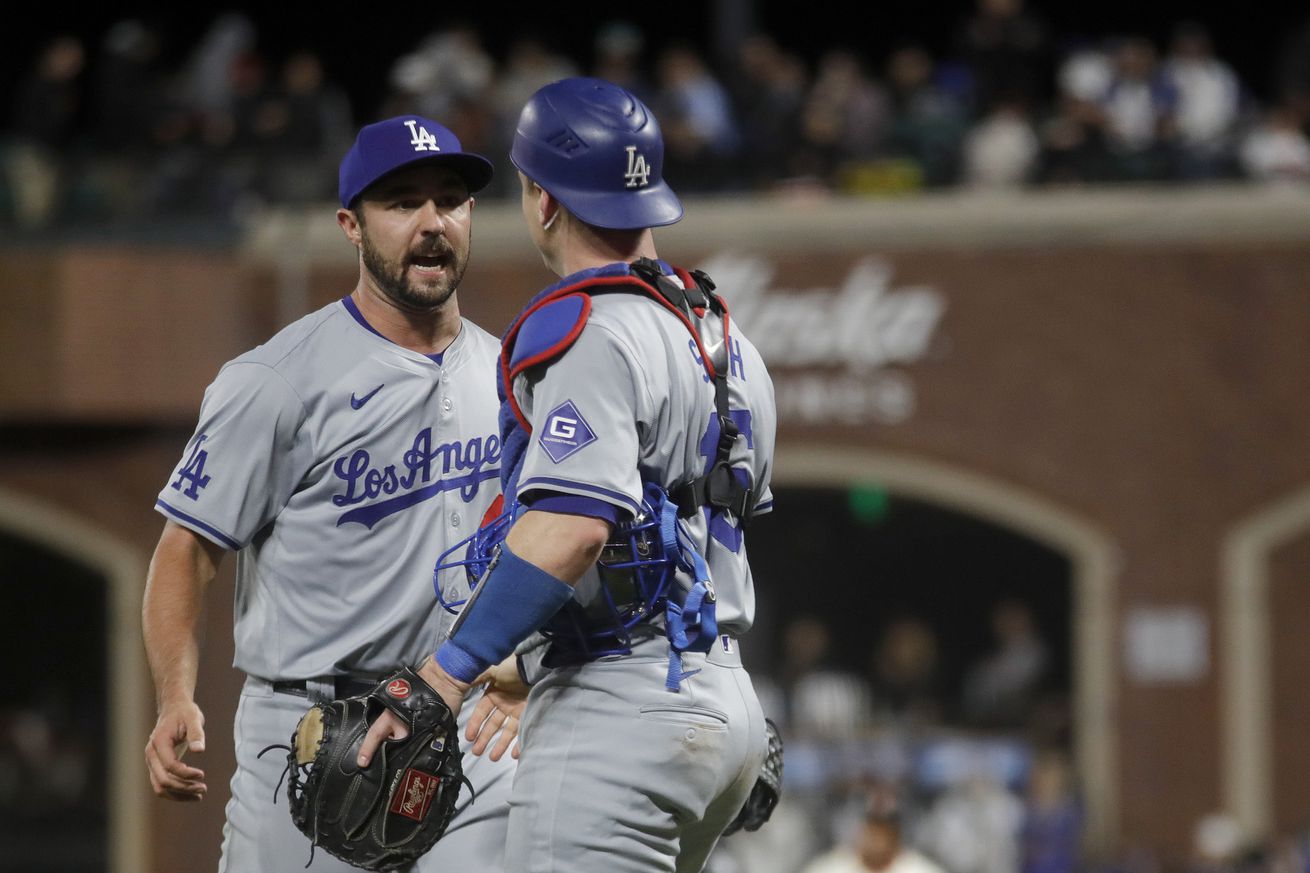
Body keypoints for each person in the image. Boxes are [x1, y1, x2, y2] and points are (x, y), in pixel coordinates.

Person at [360, 76, 779, 872]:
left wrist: (446, 674)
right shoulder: (730, 341)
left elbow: (575, 529)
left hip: (618, 714)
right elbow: (692, 537)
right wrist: (519, 662)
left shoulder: (591, 329)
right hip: (725, 703)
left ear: (542, 200)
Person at [142, 114, 519, 872]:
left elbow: (550, 538)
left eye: (449, 199)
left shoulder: (512, 373)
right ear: (350, 224)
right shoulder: (277, 380)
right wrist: (176, 694)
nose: (431, 223)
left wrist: (523, 668)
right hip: (311, 729)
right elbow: (186, 550)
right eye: (402, 202)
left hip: (463, 720)